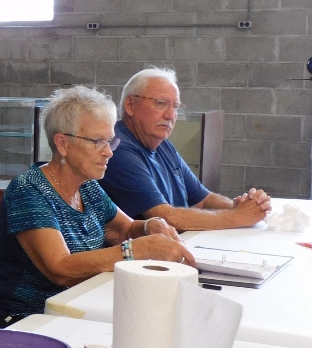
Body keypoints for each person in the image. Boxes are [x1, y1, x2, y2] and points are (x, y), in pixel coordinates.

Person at [0, 86, 193, 328]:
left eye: (110, 141)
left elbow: (124, 230)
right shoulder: (29, 190)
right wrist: (135, 251)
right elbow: (60, 268)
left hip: (75, 309)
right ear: (63, 144)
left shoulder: (88, 187)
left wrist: (150, 226)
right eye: (97, 141)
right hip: (21, 320)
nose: (109, 152)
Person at [100, 67, 272, 230]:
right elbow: (165, 217)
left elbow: (203, 199)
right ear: (130, 105)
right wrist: (239, 216)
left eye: (175, 107)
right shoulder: (117, 149)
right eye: (161, 103)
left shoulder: (161, 144)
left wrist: (242, 206)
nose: (170, 115)